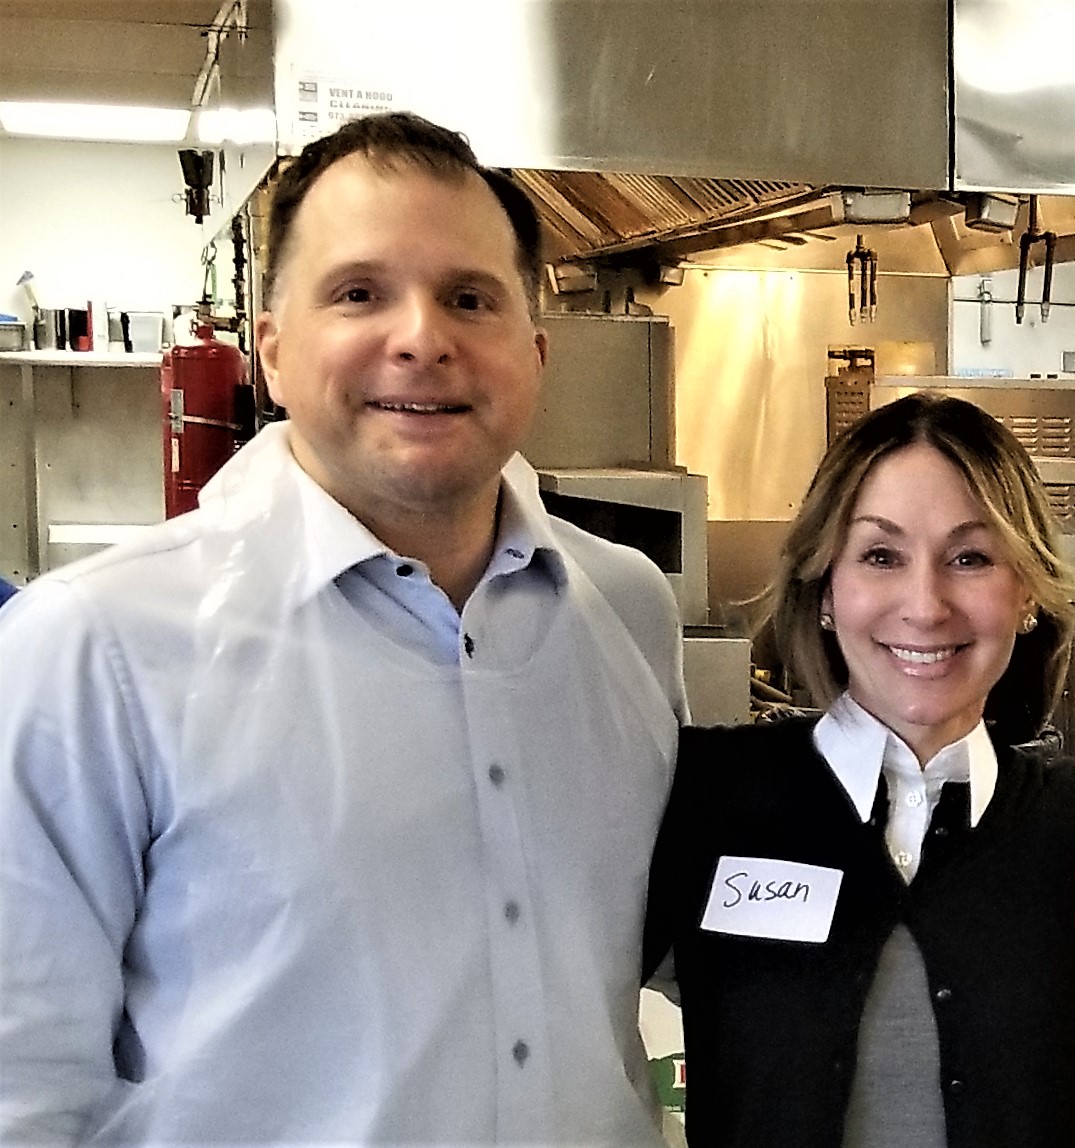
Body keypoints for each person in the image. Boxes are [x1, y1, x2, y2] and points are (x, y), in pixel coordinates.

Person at [0, 113, 686, 1142]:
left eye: (469, 297)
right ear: (271, 350)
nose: (421, 336)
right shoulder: (92, 647)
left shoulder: (626, 607)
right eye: (359, 292)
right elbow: (24, 1076)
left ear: (534, 354)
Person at [645, 392, 1075, 1148]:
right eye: (880, 556)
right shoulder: (704, 793)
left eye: (970, 558)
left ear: (1025, 594)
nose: (924, 605)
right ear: (825, 588)